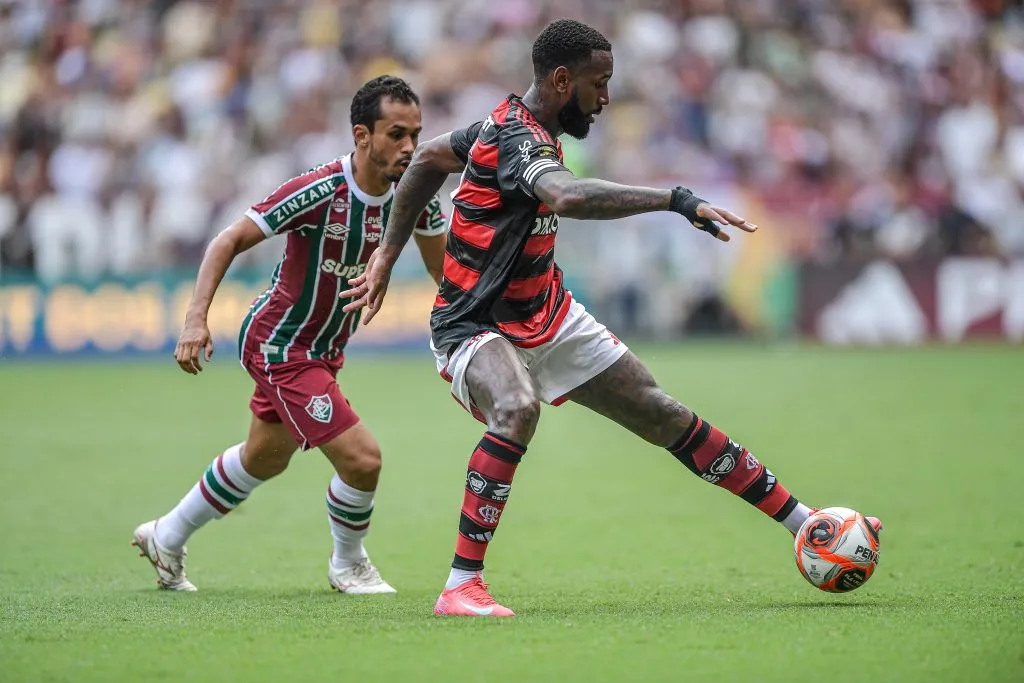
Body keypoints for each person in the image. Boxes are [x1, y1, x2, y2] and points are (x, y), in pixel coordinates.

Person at [342, 20, 882, 617]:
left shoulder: (509, 128)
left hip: (547, 312)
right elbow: (567, 197)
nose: (604, 99)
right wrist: (674, 199)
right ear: (561, 79)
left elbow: (428, 158)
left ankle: (807, 524)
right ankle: (461, 586)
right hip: (474, 322)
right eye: (598, 84)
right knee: (516, 408)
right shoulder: (519, 139)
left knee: (661, 412)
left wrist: (387, 253)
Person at [131, 75, 448, 595]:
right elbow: (228, 240)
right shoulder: (319, 190)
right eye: (396, 134)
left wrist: (480, 326)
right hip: (280, 344)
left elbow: (443, 271)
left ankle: (166, 535)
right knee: (362, 459)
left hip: (324, 350)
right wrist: (195, 318)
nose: (410, 147)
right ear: (362, 135)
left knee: (264, 457)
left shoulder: (416, 196)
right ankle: (348, 565)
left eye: (416, 134)